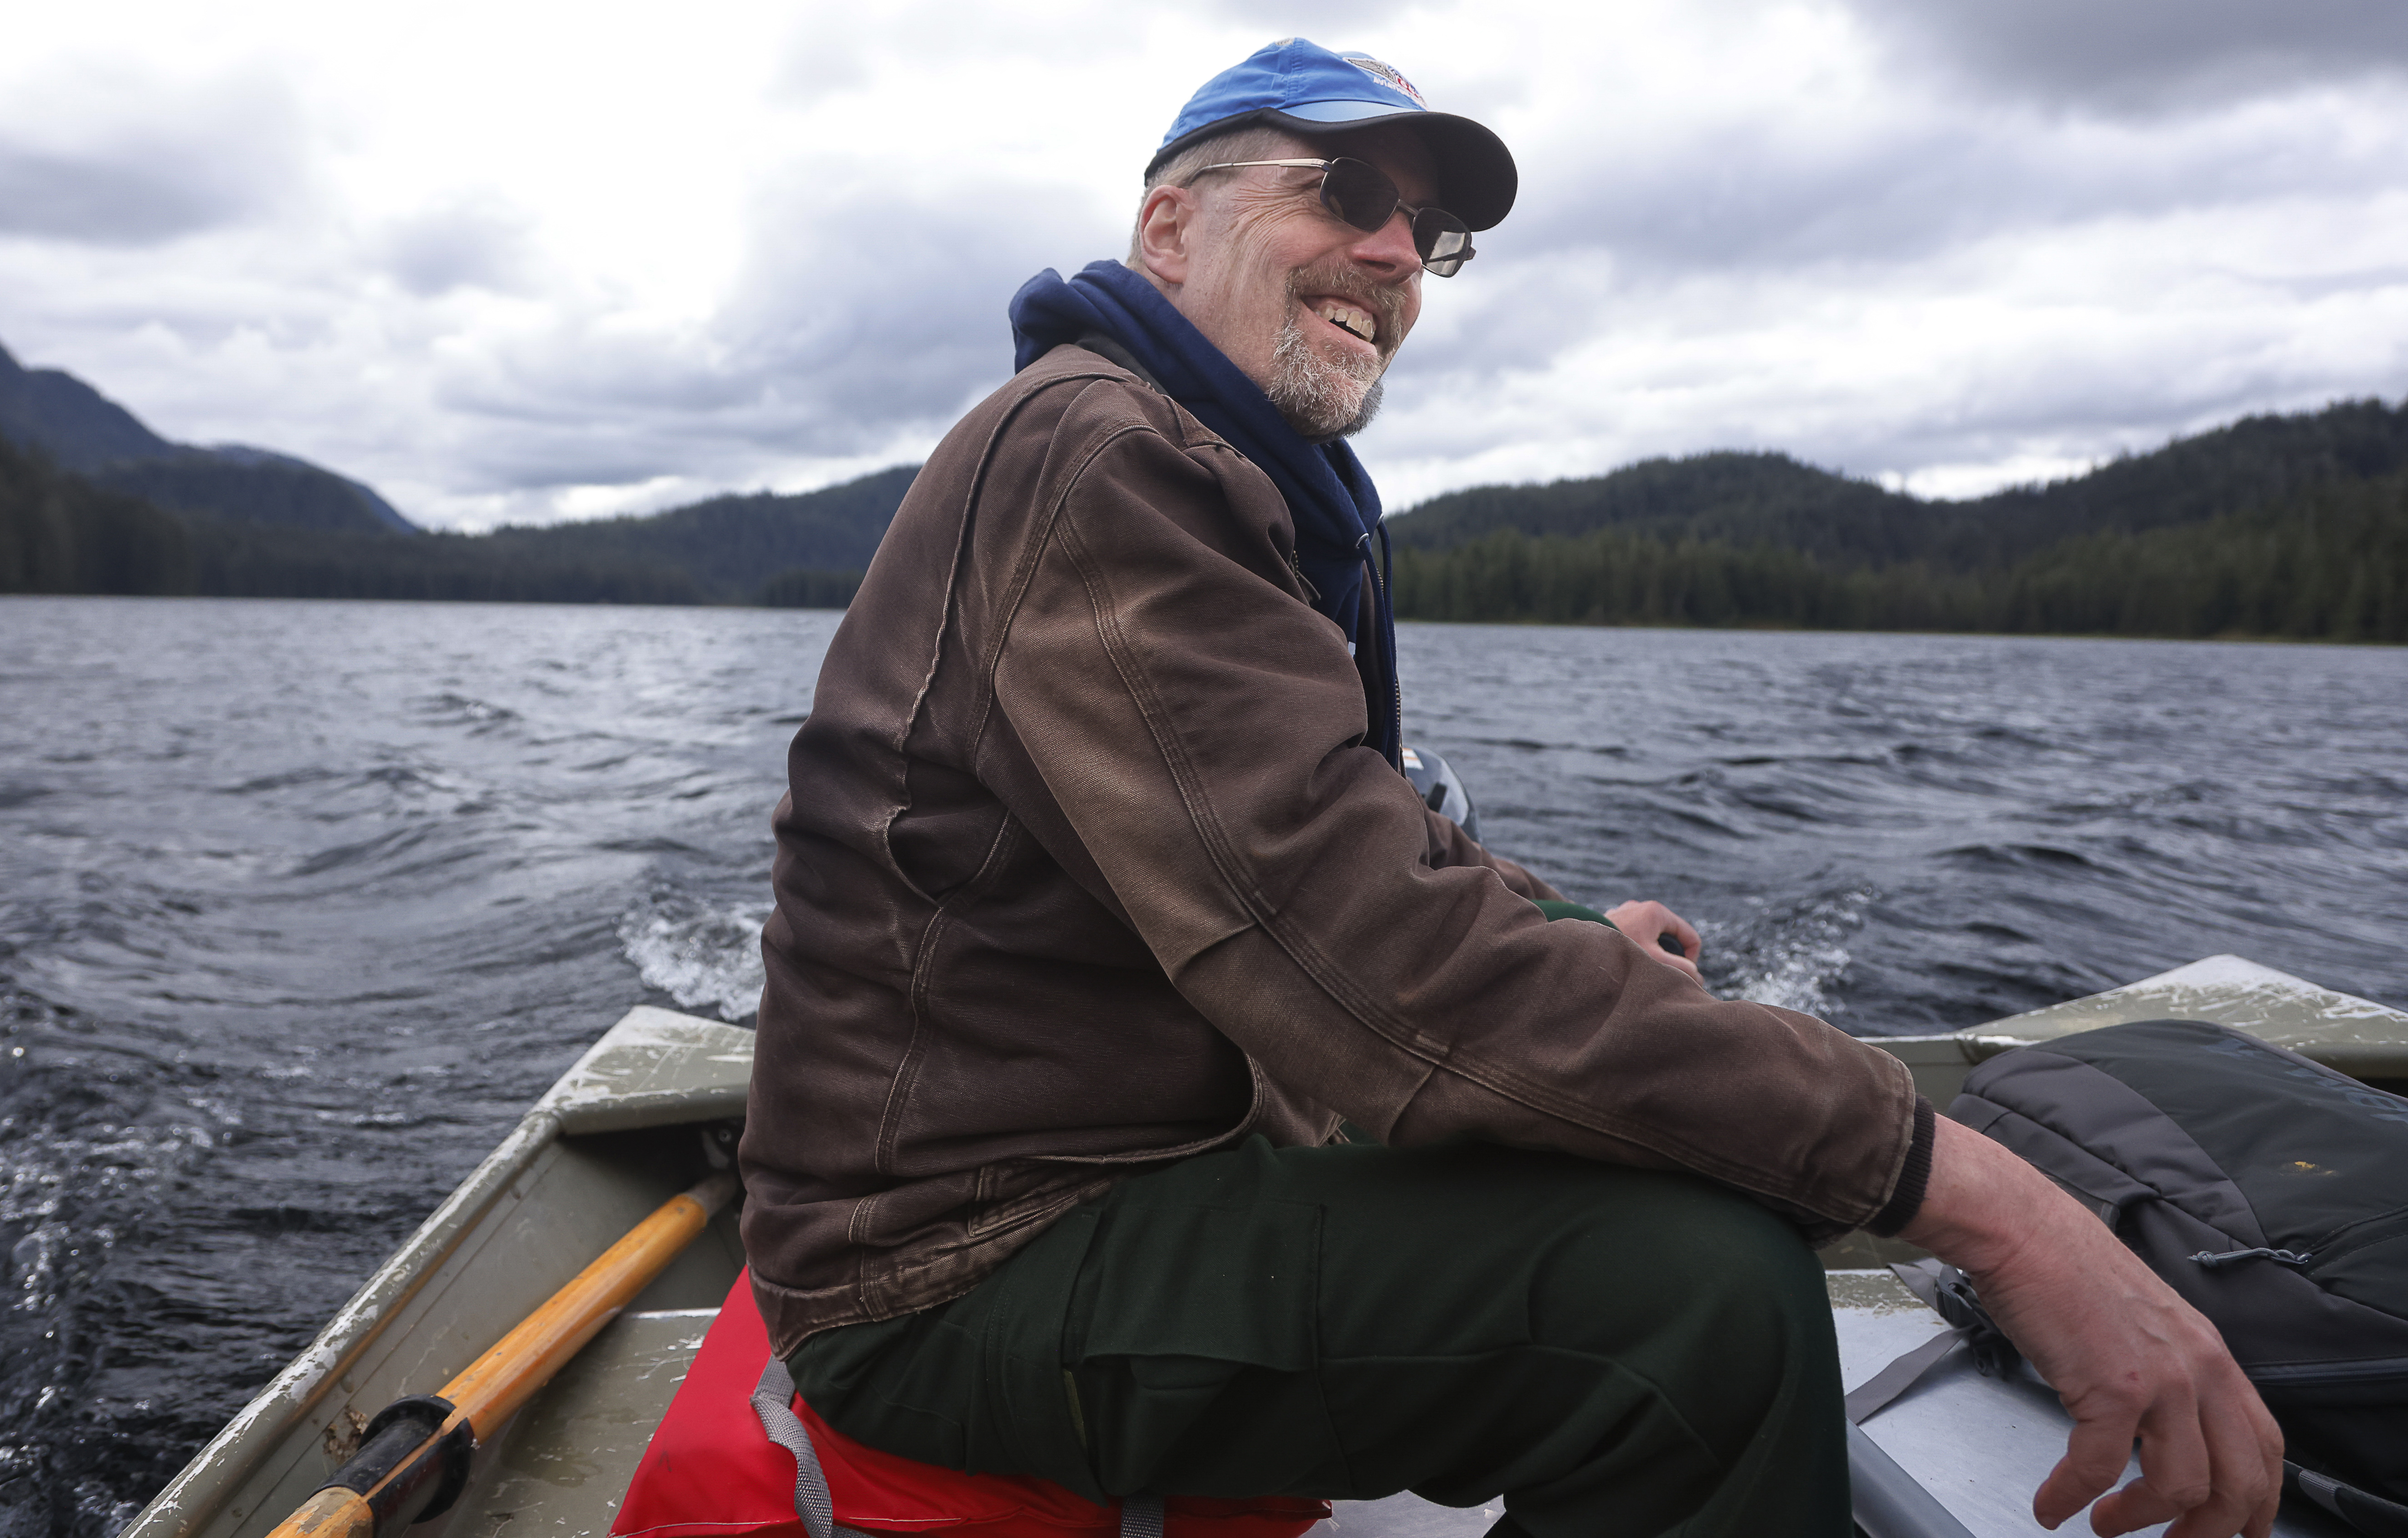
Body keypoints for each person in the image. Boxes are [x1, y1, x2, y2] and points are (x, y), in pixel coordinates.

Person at [738, 37, 2281, 1538]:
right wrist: (1981, 1199)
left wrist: (1555, 920)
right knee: (1696, 1306)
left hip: (1139, 1153)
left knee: (1655, 1141)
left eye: (1432, 229)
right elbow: (1373, 963)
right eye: (1349, 189)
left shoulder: (1207, 469)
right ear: (1168, 228)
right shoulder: (1104, 461)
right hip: (950, 1262)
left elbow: (1351, 827)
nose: (1398, 252)